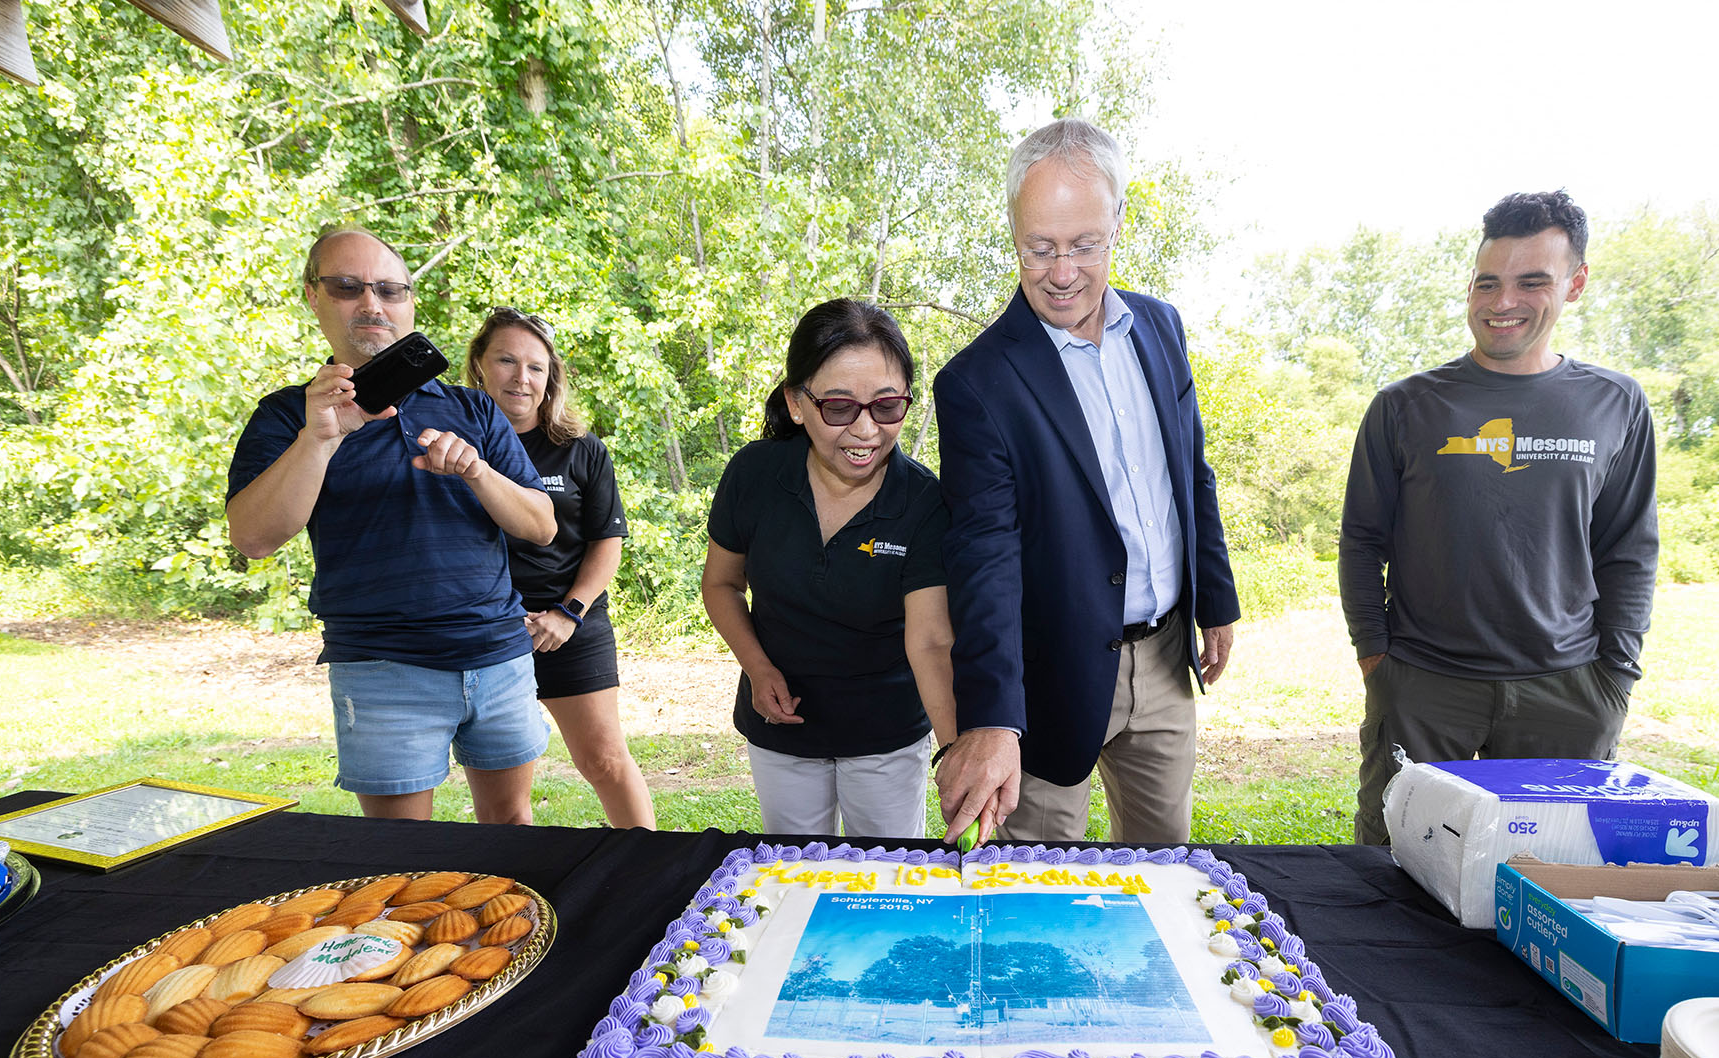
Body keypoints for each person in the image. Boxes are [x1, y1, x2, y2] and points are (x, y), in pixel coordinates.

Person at [933, 118, 1240, 846]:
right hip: (1048, 679)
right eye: (1039, 249)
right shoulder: (977, 383)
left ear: (1118, 226)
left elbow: (1190, 470)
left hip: (1165, 659)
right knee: (1041, 895)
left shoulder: (1161, 328)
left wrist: (1216, 598)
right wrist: (993, 716)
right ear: (1013, 233)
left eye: (1083, 245)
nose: (1062, 271)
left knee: (1165, 868)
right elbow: (985, 558)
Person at [1338, 190, 1658, 846]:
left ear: (1576, 284)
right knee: (1395, 875)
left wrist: (1614, 676)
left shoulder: (1614, 403)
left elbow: (1628, 548)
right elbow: (1361, 541)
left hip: (1567, 690)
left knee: (1551, 877)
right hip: (1425, 687)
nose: (1503, 301)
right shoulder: (1405, 406)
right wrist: (1381, 666)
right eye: (1488, 282)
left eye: (1532, 281)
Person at [226, 227, 556, 824]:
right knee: (400, 854)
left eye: (390, 289)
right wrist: (319, 438)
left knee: (512, 830)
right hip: (382, 665)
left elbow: (541, 525)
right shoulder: (288, 415)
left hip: (498, 652)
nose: (372, 304)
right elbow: (253, 539)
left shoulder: (473, 407)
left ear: (409, 303)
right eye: (348, 287)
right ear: (313, 296)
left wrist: (477, 473)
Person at [701, 299, 956, 839]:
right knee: (797, 875)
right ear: (796, 403)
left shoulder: (924, 501)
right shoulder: (754, 474)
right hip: (781, 729)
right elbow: (722, 584)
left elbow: (930, 640)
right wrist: (758, 668)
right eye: (839, 407)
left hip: (886, 736)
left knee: (888, 881)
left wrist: (956, 751)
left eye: (887, 406)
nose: (865, 430)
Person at [464, 306, 657, 830]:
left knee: (604, 761)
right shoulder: (452, 445)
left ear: (551, 378)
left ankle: (655, 876)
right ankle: (513, 900)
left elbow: (606, 542)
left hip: (572, 624)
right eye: (506, 360)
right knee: (504, 795)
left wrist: (568, 612)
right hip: (486, 634)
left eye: (535, 367)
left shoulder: (581, 451)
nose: (521, 378)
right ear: (479, 364)